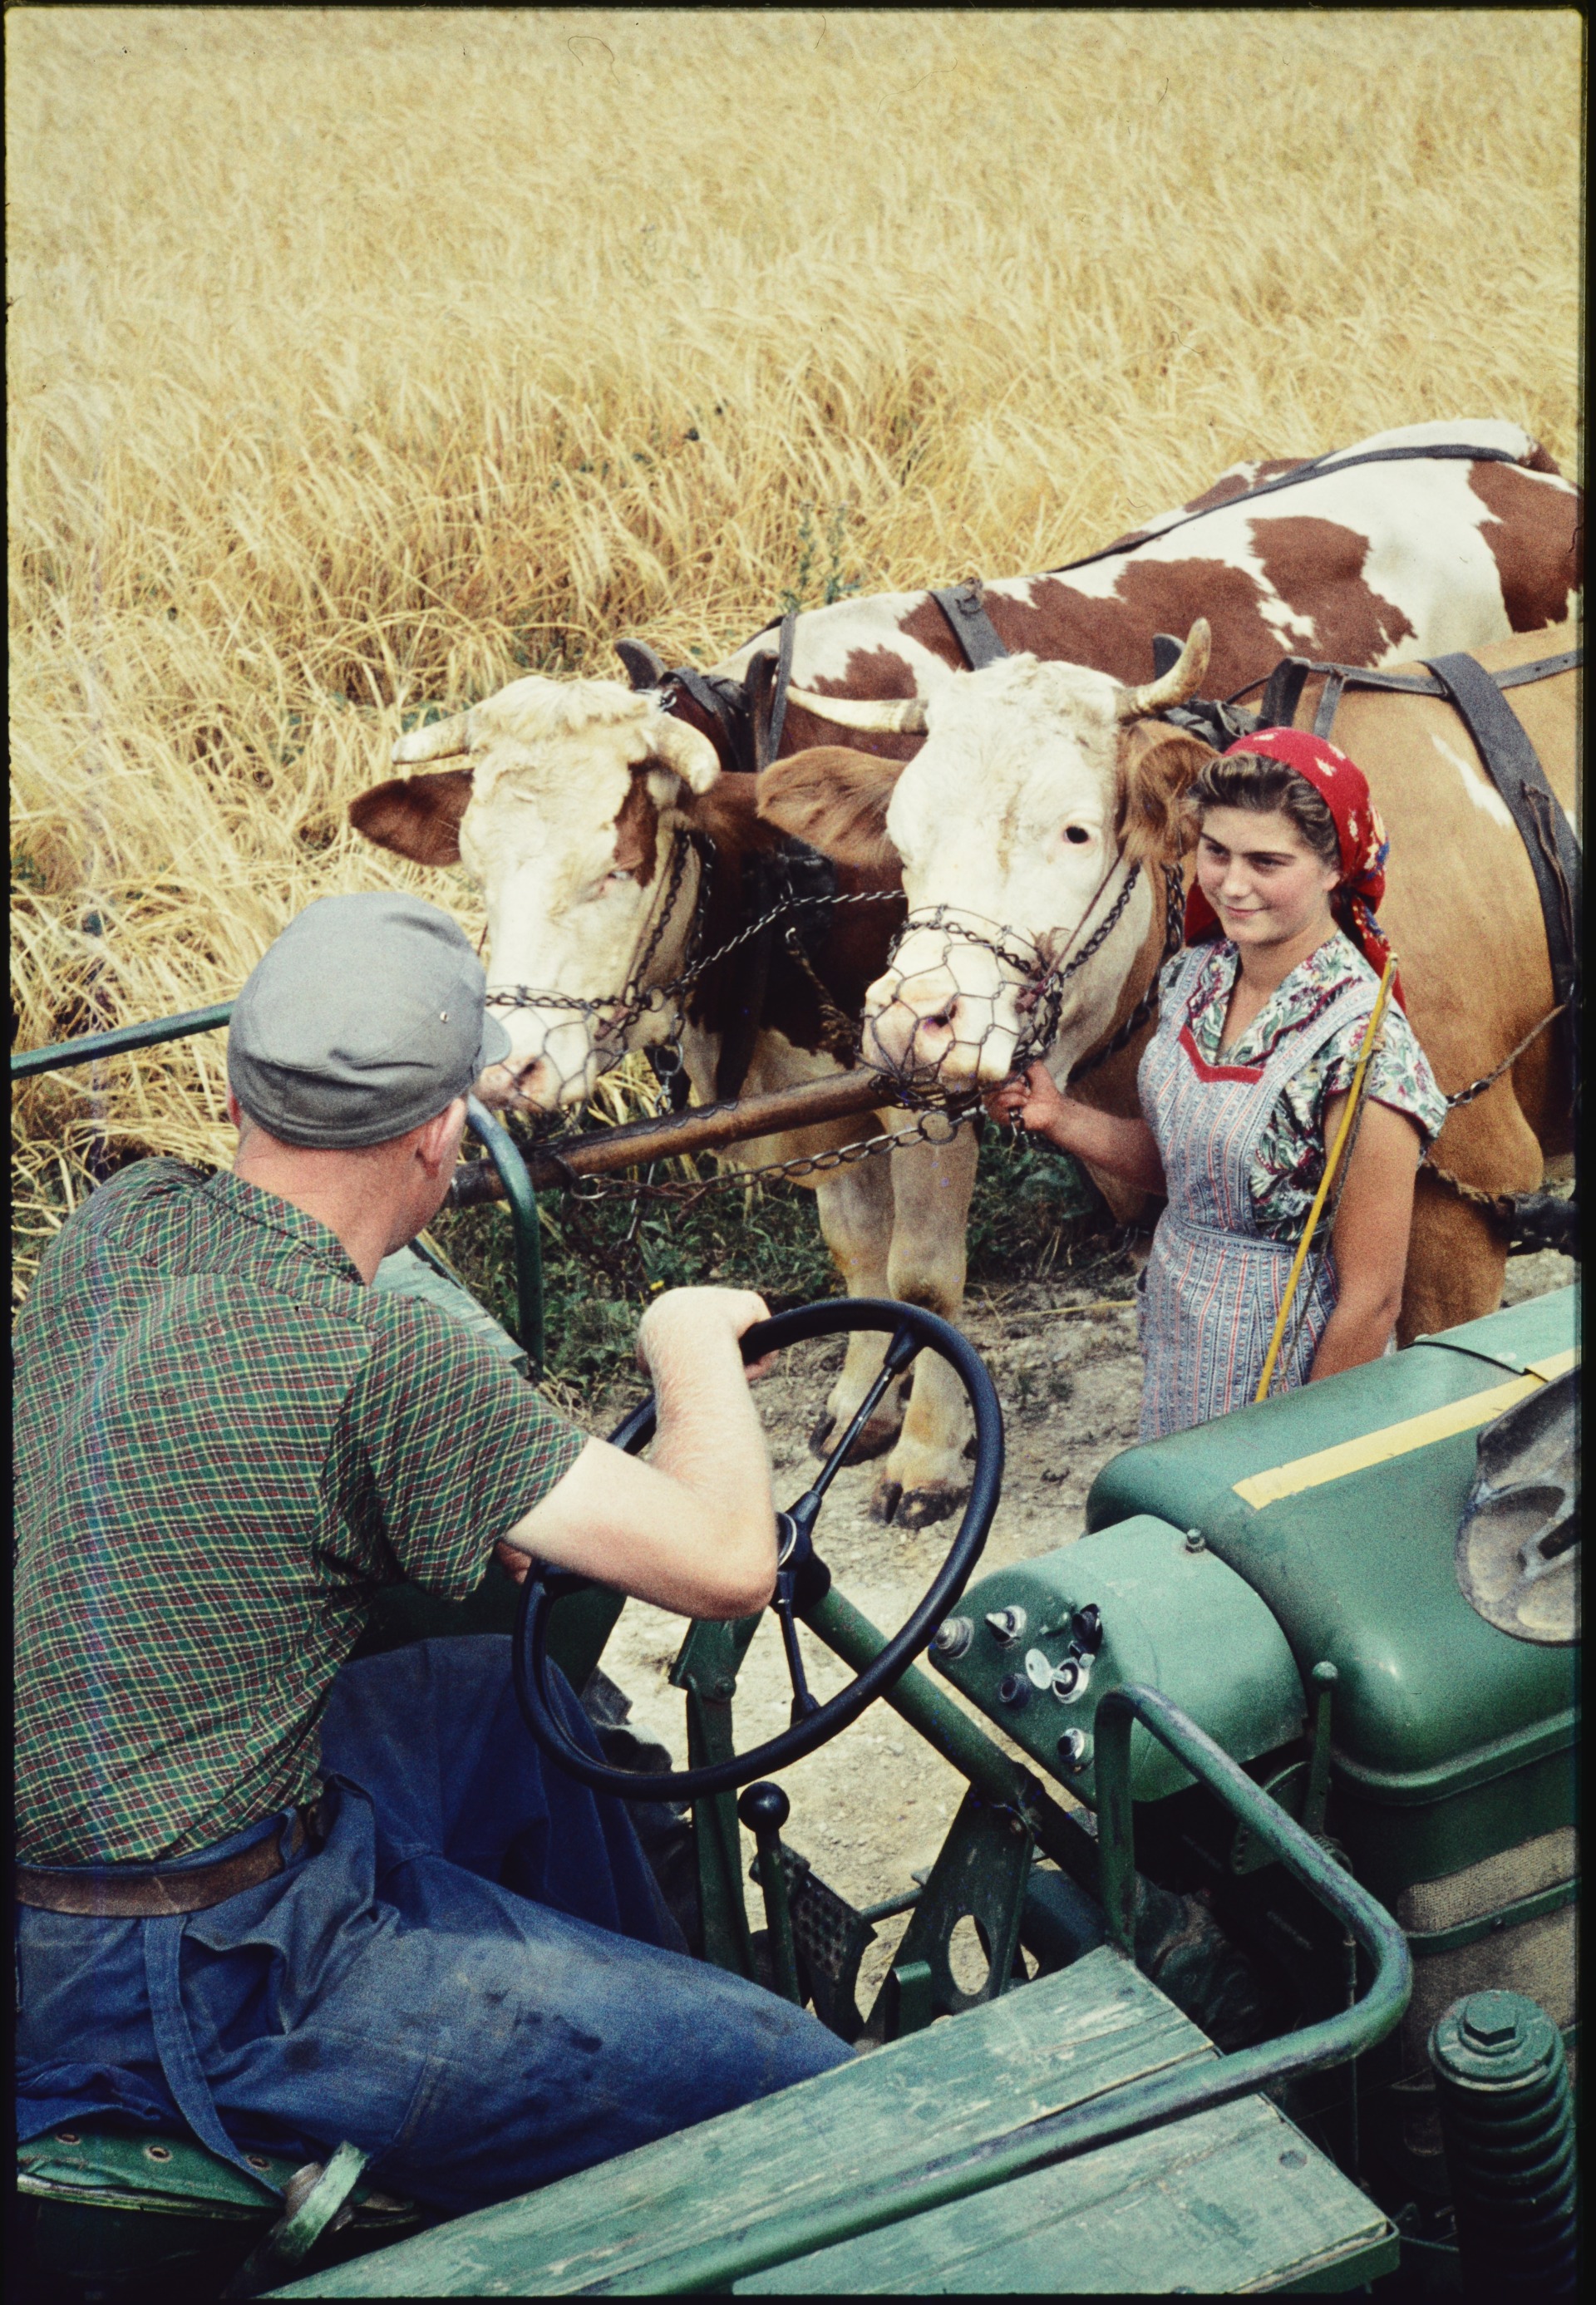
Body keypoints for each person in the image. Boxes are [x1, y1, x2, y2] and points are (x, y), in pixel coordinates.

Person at [14, 892, 850, 2224]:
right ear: (440, 1133)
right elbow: (731, 1561)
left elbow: (257, 1461)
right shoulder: (385, 1362)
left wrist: (484, 1498)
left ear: (241, 1095)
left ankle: (618, 2019)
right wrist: (687, 1343)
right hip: (193, 1977)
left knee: (490, 1696)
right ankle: (673, 2107)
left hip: (75, 1885)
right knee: (801, 2077)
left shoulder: (121, 1226)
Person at [988, 728, 1446, 1439]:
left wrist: (1297, 1456)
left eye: (1268, 861)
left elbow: (1372, 1300)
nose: (1233, 884)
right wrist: (1058, 1115)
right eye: (1217, 851)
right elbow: (1196, 1173)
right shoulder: (1194, 977)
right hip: (1178, 1329)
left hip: (1287, 1367)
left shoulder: (1366, 1049)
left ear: (1334, 867)